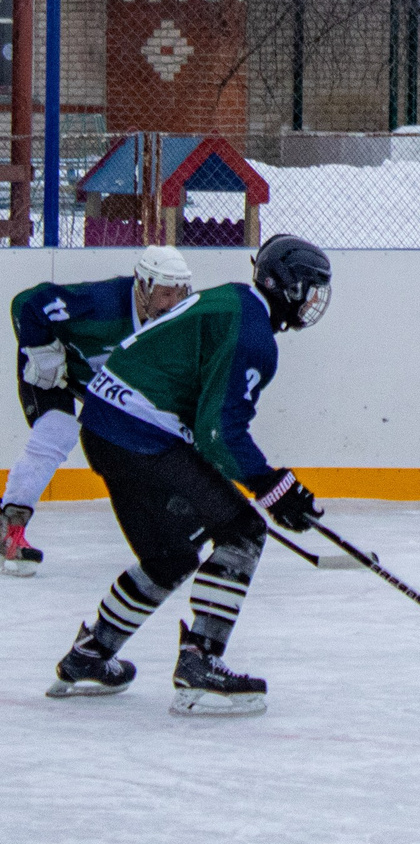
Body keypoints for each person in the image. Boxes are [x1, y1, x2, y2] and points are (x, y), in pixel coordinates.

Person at [46, 234, 333, 716]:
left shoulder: (234, 301)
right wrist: (272, 487)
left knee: (170, 556)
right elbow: (218, 431)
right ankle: (201, 660)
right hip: (139, 434)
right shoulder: (253, 334)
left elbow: (203, 423)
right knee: (243, 532)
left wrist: (267, 484)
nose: (314, 301)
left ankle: (91, 653)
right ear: (284, 285)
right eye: (310, 288)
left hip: (105, 428)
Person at [6, 246, 195, 574]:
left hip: (102, 384)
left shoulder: (175, 325)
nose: (174, 303)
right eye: (166, 293)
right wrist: (41, 350)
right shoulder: (103, 304)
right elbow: (29, 303)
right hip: (55, 371)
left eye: (181, 294)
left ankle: (173, 525)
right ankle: (10, 530)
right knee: (57, 431)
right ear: (143, 286)